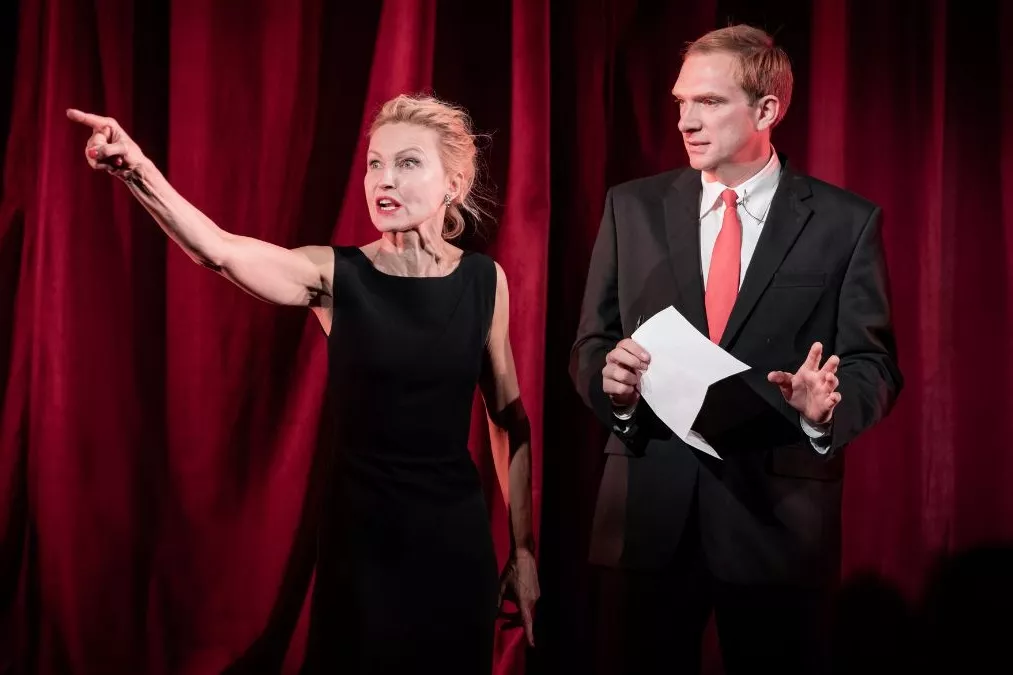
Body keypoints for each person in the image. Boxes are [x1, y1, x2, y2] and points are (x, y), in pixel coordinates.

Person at [67, 93, 539, 674]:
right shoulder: (335, 275)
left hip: (454, 546)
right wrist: (138, 171)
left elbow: (509, 419)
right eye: (375, 163)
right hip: (362, 549)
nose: (384, 179)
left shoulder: (485, 281)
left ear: (454, 185)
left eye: (408, 163)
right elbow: (218, 251)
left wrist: (523, 550)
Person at [570, 24, 902, 675]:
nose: (685, 120)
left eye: (709, 102)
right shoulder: (630, 208)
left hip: (777, 523)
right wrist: (612, 387)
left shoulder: (845, 222)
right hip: (646, 516)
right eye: (680, 102)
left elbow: (874, 363)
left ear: (766, 109)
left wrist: (825, 410)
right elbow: (591, 343)